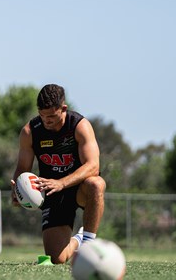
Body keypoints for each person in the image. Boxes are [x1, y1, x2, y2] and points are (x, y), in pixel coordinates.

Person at [10, 84, 106, 265]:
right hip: (52, 193)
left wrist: (62, 182)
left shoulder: (79, 126)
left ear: (63, 109)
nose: (47, 121)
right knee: (57, 259)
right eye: (42, 116)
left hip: (78, 188)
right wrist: (18, 190)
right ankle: (77, 239)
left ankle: (88, 246)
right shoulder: (30, 132)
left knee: (96, 184)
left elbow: (93, 166)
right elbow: (23, 168)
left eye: (52, 116)